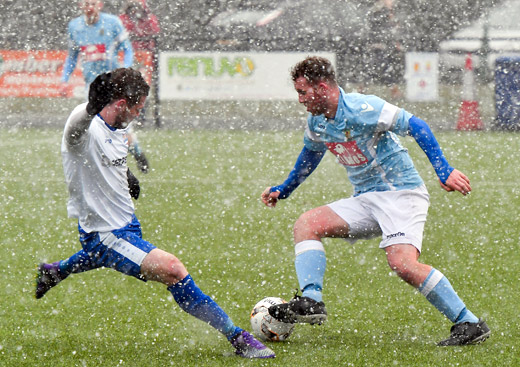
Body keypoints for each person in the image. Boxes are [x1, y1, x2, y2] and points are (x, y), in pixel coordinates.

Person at [35, 68, 275, 359]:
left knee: (105, 256)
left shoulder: (120, 127)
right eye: (137, 107)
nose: (139, 113)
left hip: (126, 224)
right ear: (121, 103)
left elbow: (110, 157)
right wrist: (90, 107)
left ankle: (55, 271)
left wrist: (126, 174)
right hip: (104, 233)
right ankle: (237, 338)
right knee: (174, 270)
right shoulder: (85, 129)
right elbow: (75, 128)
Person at [261, 56, 490, 346]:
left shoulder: (362, 107)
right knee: (307, 224)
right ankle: (312, 301)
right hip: (366, 199)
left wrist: (443, 169)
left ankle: (469, 323)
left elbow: (416, 125)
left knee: (403, 264)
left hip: (401, 194)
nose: (300, 100)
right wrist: (285, 188)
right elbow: (311, 153)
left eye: (303, 92)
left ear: (321, 88)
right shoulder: (317, 121)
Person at [61, 0, 149, 174]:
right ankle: (113, 165)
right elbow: (72, 57)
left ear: (100, 5)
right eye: (86, 3)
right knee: (94, 127)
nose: (89, 7)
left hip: (112, 85)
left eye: (92, 3)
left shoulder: (112, 23)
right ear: (80, 5)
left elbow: (127, 49)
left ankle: (135, 154)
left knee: (119, 126)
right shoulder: (75, 26)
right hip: (91, 87)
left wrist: (126, 69)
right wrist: (64, 80)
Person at [119, 0, 160, 126]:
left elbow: (155, 30)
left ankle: (140, 116)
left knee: (142, 88)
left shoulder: (148, 19)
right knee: (125, 88)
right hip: (127, 56)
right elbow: (119, 34)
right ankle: (126, 116)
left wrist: (144, 15)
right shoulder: (122, 19)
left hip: (145, 57)